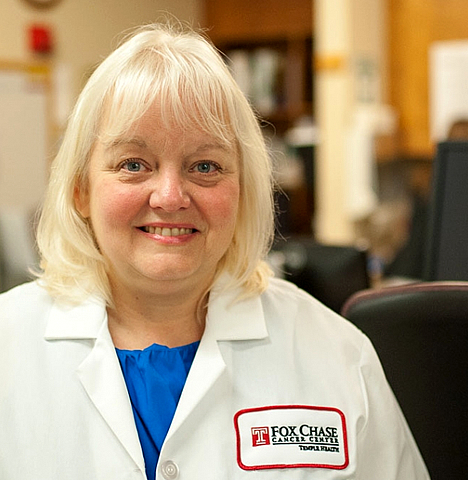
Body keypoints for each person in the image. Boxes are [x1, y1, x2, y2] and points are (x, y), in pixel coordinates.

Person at [0, 21, 430, 479]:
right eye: (133, 164)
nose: (169, 196)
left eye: (205, 166)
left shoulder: (338, 355)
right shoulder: (10, 347)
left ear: (243, 189)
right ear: (81, 190)